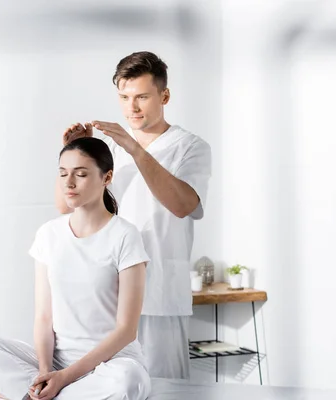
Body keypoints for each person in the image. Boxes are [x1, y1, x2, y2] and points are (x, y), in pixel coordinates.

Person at [0, 137, 151, 400]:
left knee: (127, 384)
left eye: (81, 174)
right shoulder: (49, 234)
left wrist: (64, 378)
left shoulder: (125, 236)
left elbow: (126, 331)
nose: (69, 183)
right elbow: (44, 318)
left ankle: (23, 394)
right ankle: (38, 391)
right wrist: (45, 372)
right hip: (57, 360)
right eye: (63, 174)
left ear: (107, 177)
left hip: (112, 363)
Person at [56, 51, 212, 380]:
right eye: (124, 98)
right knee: (108, 387)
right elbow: (68, 207)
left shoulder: (190, 147)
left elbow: (183, 205)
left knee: (164, 388)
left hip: (160, 295)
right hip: (107, 293)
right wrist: (75, 153)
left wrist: (135, 149)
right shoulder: (109, 149)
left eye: (142, 97)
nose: (132, 108)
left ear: (164, 96)